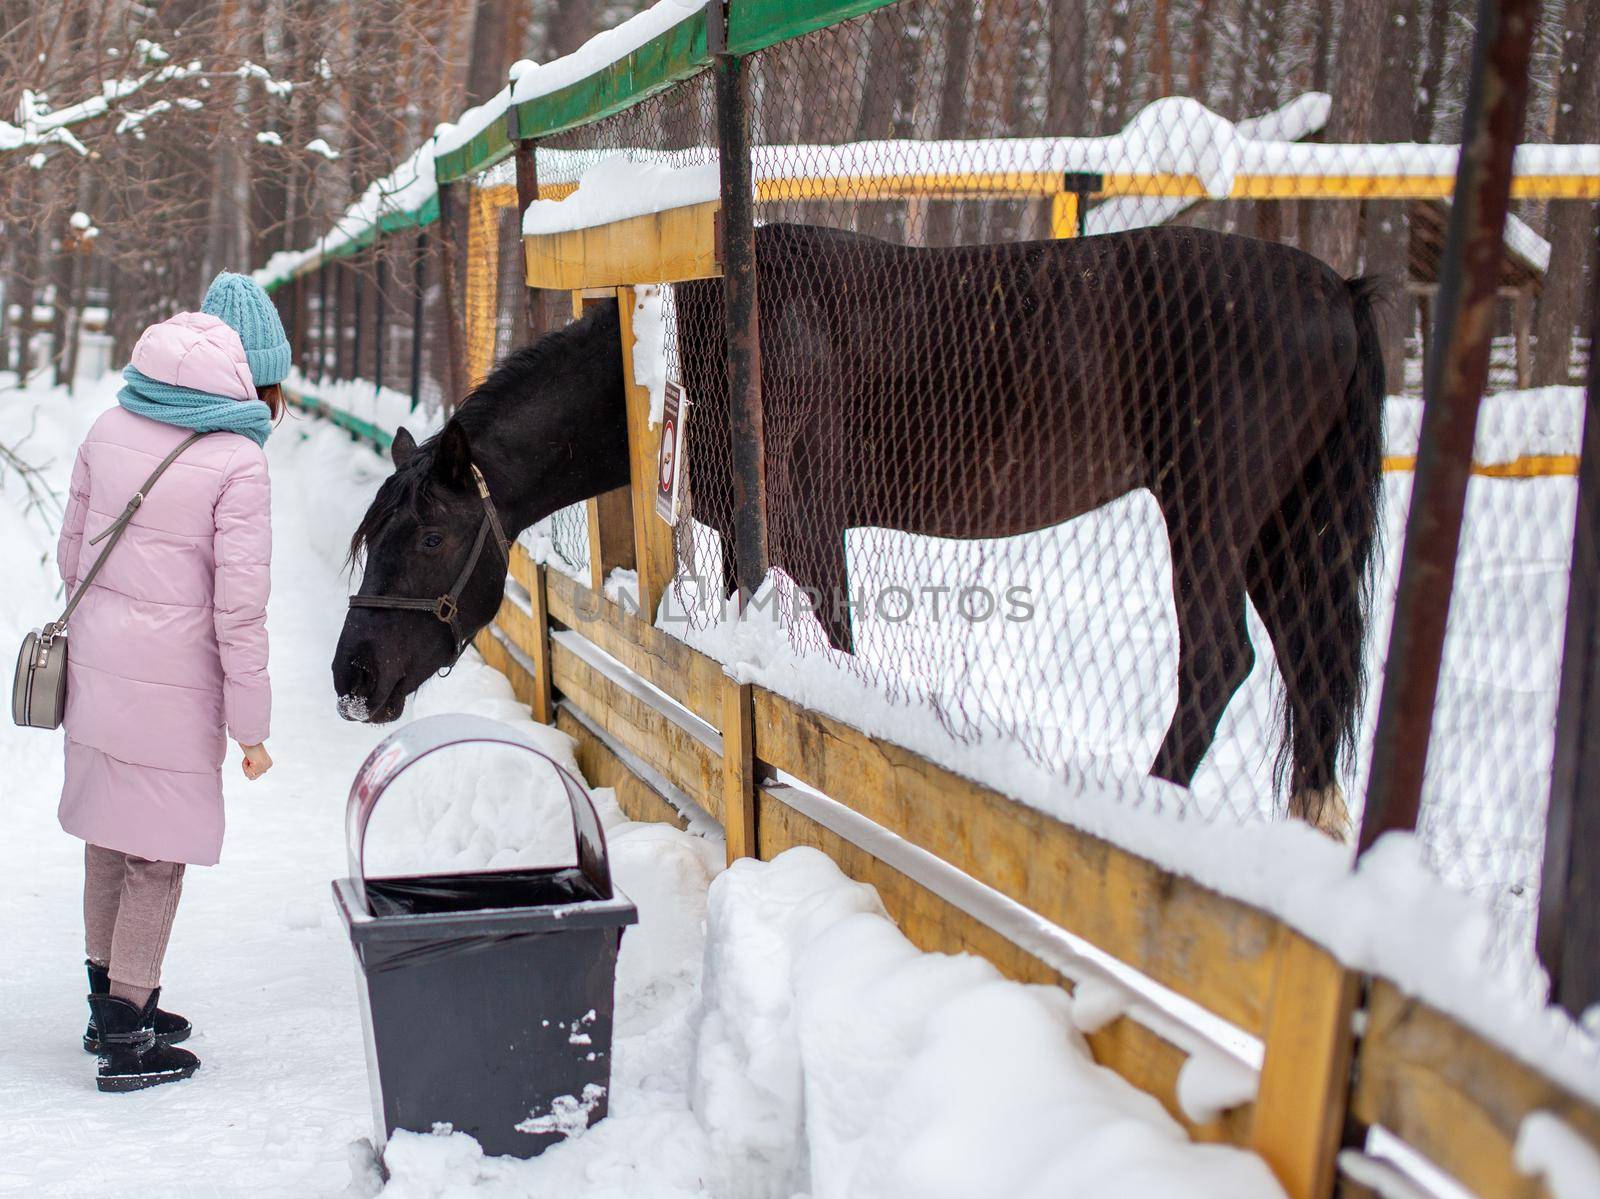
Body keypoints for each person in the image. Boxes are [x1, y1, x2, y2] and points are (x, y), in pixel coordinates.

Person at [55, 272, 288, 1092]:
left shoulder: (109, 424)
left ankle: (108, 1004)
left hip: (97, 668)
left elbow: (69, 555)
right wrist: (250, 727)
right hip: (176, 689)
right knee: (157, 856)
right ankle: (128, 1035)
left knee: (110, 833)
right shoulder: (238, 462)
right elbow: (240, 612)